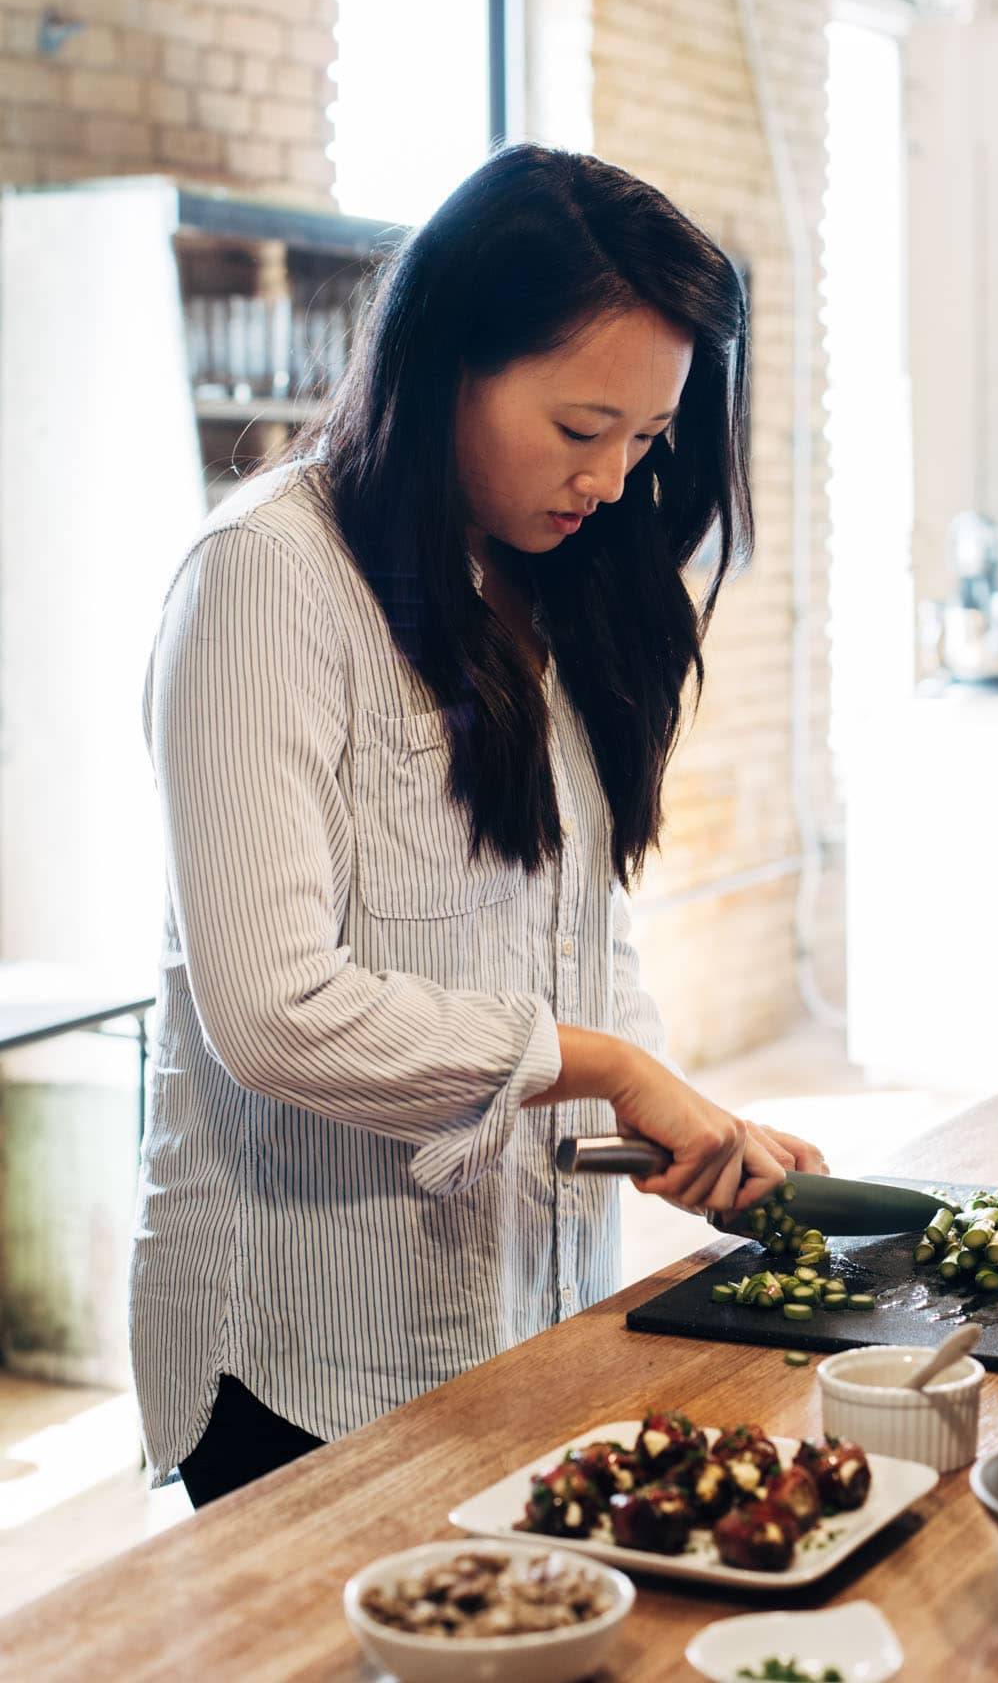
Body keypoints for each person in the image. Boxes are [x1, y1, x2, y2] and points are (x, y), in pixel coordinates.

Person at [132, 144, 827, 1507]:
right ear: (449, 358)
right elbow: (271, 1010)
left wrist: (675, 1128)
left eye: (647, 440)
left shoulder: (555, 582)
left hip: (529, 1316)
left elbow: (574, 932)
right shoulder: (268, 582)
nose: (617, 480)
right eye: (582, 431)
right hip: (306, 1360)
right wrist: (612, 1068)